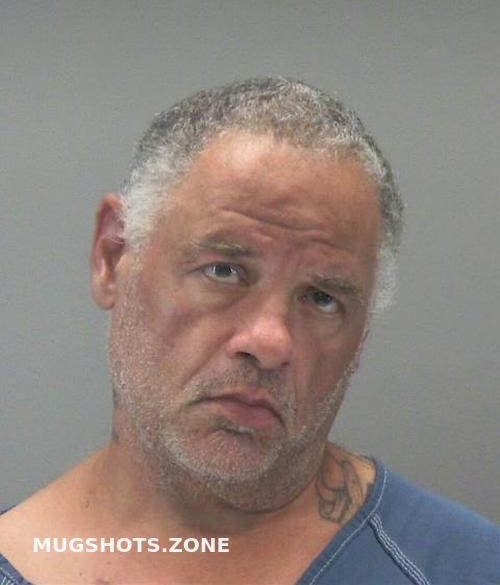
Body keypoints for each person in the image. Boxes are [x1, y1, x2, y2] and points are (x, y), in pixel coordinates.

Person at [0, 77, 498, 585]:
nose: (270, 341)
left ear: (362, 334)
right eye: (223, 271)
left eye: (322, 299)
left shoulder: (465, 569)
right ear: (113, 255)